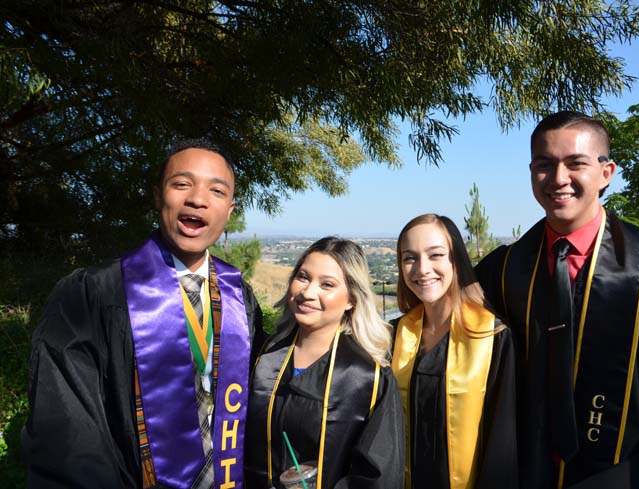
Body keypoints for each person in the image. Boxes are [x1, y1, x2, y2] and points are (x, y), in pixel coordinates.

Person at [475, 110, 639, 488]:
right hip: (527, 472)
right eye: (544, 165)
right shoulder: (503, 270)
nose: (558, 178)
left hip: (629, 476)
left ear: (606, 172)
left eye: (575, 163)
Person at [22, 139, 264, 489]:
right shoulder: (95, 293)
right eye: (182, 184)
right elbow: (69, 434)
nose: (197, 198)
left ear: (229, 209)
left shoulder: (239, 296)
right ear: (157, 195)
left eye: (216, 190)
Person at [245, 237, 404, 489]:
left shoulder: (367, 378)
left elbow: (377, 477)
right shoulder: (264, 356)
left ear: (351, 299)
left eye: (327, 284)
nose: (308, 292)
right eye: (303, 277)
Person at [392, 214, 517, 489]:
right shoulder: (394, 336)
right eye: (409, 258)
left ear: (455, 260)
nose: (422, 269)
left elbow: (503, 443)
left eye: (435, 255)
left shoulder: (493, 336)